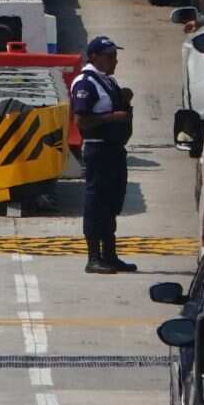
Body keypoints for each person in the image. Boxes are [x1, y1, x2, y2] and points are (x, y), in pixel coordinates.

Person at [70, 36, 138, 274]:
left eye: (115, 56)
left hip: (114, 150)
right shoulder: (85, 83)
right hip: (98, 150)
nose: (115, 60)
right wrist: (112, 118)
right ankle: (94, 257)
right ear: (94, 57)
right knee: (96, 202)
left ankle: (110, 254)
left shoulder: (106, 81)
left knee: (112, 202)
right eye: (109, 56)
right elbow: (81, 120)